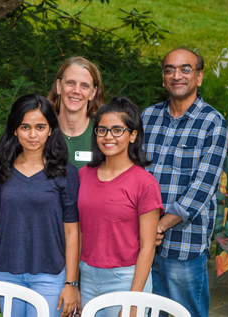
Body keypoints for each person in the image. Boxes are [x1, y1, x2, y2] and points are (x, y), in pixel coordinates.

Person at [142, 48, 228, 317]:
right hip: (142, 241)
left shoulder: (213, 123)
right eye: (169, 69)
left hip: (185, 243)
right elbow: (133, 174)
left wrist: (159, 225)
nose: (176, 75)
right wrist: (145, 227)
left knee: (186, 313)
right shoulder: (147, 117)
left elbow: (202, 188)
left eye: (185, 69)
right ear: (163, 78)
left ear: (199, 77)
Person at [0, 94, 78, 317]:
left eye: (40, 127)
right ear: (15, 129)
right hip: (5, 274)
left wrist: (71, 283)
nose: (33, 134)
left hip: (51, 277)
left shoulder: (66, 173)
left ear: (51, 129)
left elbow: (72, 231)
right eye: (25, 127)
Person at [78, 97, 163, 317]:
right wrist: (75, 283)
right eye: (102, 130)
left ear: (133, 135)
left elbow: (148, 247)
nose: (108, 137)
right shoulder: (83, 175)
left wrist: (133, 302)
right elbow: (78, 231)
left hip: (126, 279)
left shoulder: (145, 183)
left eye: (117, 130)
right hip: (87, 276)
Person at [46, 56, 104, 169]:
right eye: (70, 83)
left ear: (93, 92)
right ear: (58, 86)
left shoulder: (103, 135)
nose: (76, 91)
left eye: (84, 86)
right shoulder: (40, 131)